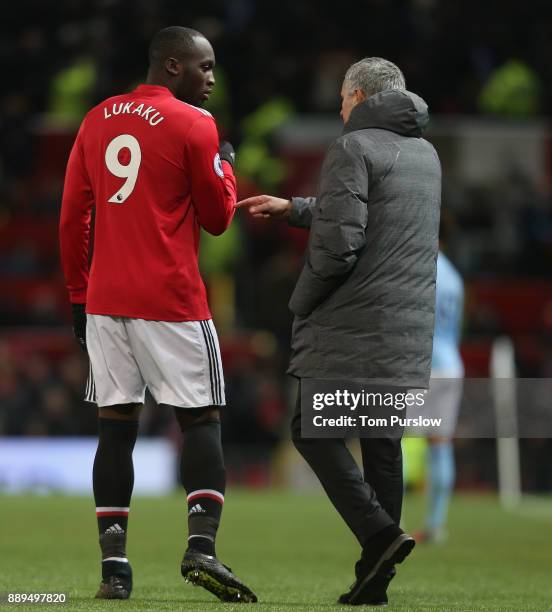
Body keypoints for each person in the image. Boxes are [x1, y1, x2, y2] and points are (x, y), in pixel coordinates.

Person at [59, 26, 256, 603]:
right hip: (170, 299)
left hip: (105, 300)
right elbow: (219, 218)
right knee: (201, 420)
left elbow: (73, 217)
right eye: (205, 66)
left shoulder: (96, 119)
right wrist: (225, 165)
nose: (212, 78)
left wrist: (78, 294)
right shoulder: (197, 125)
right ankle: (202, 549)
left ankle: (114, 570)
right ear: (173, 65)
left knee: (115, 429)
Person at [237, 57, 441, 605]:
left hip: (354, 325)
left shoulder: (352, 147)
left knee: (311, 431)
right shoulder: (425, 153)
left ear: (359, 96)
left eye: (343, 99)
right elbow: (373, 216)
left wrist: (299, 303)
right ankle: (376, 579)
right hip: (407, 327)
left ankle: (378, 532)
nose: (339, 108)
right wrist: (296, 208)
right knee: (383, 446)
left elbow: (340, 245)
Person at [414, 247, 464, 544]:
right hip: (451, 364)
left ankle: (389, 523)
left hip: (421, 363)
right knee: (440, 444)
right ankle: (435, 524)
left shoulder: (421, 269)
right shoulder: (455, 277)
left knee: (391, 440)